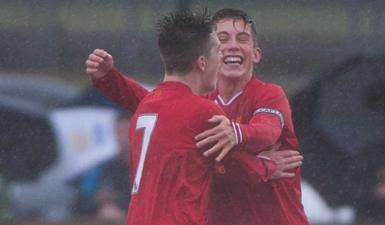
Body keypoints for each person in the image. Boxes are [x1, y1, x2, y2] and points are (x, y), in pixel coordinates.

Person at [85, 8, 307, 225]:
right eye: (222, 39)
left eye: (242, 39)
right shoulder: (199, 106)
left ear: (256, 53)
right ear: (212, 55)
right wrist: (266, 166)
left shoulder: (269, 94)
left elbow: (268, 131)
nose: (232, 46)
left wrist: (237, 132)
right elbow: (165, 107)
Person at [72, 111, 131, 223]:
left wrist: (120, 200)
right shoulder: (102, 169)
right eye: (118, 132)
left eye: (125, 132)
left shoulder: (149, 168)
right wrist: (98, 202)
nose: (121, 138)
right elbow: (79, 202)